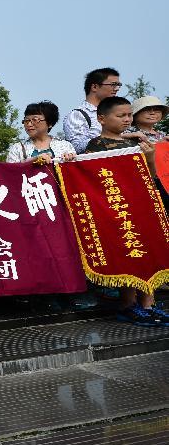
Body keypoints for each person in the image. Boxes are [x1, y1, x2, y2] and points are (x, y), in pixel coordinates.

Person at [84, 97, 165, 327]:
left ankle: (148, 305)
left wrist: (149, 156)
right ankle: (128, 305)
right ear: (101, 118)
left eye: (129, 115)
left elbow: (150, 178)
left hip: (141, 207)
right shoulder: (95, 146)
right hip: (117, 210)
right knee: (129, 256)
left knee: (148, 253)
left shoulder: (136, 143)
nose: (127, 120)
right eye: (121, 116)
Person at [63, 67, 121, 153]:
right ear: (94, 87)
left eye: (118, 85)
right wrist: (114, 137)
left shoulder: (117, 112)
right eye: (113, 84)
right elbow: (75, 147)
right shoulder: (78, 115)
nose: (117, 89)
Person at [6, 101, 76, 164]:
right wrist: (34, 160)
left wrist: (70, 160)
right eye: (26, 120)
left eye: (35, 120)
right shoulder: (17, 148)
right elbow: (11, 172)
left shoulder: (65, 146)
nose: (29, 124)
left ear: (50, 123)